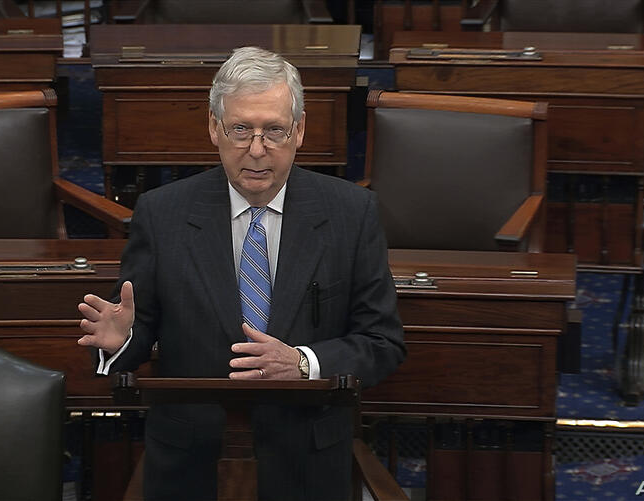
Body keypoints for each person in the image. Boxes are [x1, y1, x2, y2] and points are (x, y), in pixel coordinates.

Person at [77, 46, 405, 501]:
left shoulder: (351, 213)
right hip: (189, 463)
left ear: (300, 130)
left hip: (308, 462)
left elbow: (381, 342)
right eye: (240, 129)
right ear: (214, 128)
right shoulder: (162, 213)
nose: (256, 150)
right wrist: (122, 342)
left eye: (274, 130)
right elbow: (141, 323)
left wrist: (304, 363)